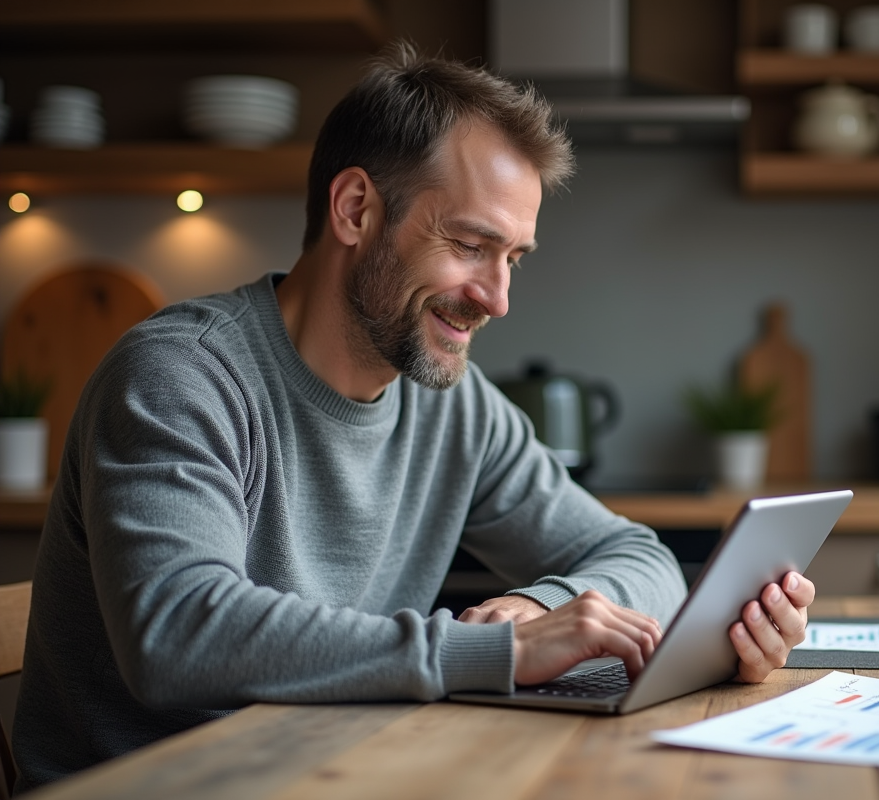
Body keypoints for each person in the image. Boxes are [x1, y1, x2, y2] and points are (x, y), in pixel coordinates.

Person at [11, 43, 816, 792]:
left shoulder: (452, 408)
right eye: (470, 244)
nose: (498, 299)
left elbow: (632, 553)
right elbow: (177, 635)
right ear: (357, 209)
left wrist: (544, 607)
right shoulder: (181, 375)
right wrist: (494, 651)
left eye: (514, 259)